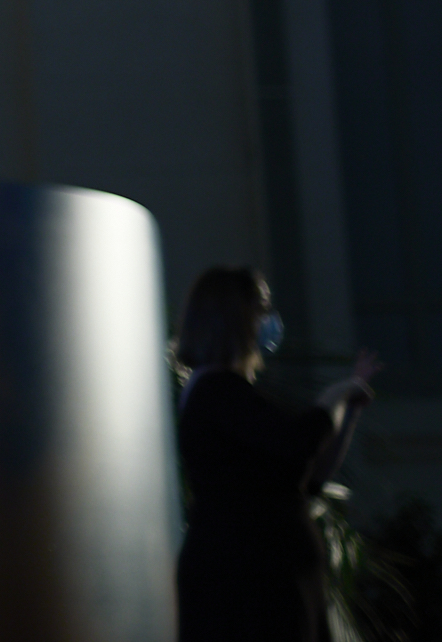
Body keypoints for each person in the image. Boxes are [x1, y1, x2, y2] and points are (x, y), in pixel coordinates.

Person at [172, 267, 378, 642]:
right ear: (236, 318)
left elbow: (308, 478)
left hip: (271, 584)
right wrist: (333, 396)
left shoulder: (233, 395)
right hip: (248, 589)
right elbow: (299, 440)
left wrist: (349, 409)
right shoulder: (217, 392)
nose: (269, 320)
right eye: (261, 308)